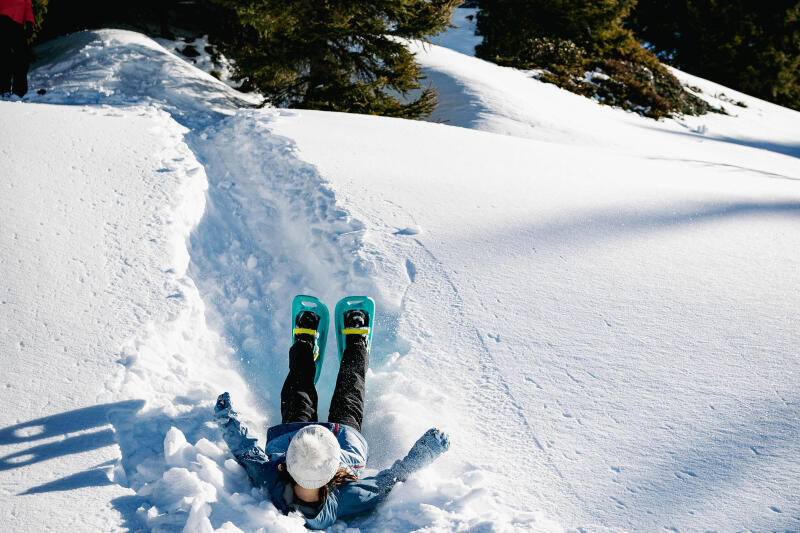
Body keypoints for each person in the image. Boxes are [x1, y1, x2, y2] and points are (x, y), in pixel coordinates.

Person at [214, 304, 450, 530]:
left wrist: (228, 421)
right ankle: (355, 342)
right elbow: (388, 481)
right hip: (344, 437)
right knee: (350, 390)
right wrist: (423, 454)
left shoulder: (271, 477)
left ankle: (307, 342)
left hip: (293, 432)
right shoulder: (345, 495)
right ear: (333, 466)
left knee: (298, 389)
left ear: (288, 462)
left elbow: (247, 452)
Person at [0, 0, 34, 97]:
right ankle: (3, 89)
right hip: (2, 20)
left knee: (22, 57)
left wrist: (29, 23)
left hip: (17, 24)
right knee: (3, 56)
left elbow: (28, 6)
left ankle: (19, 92)